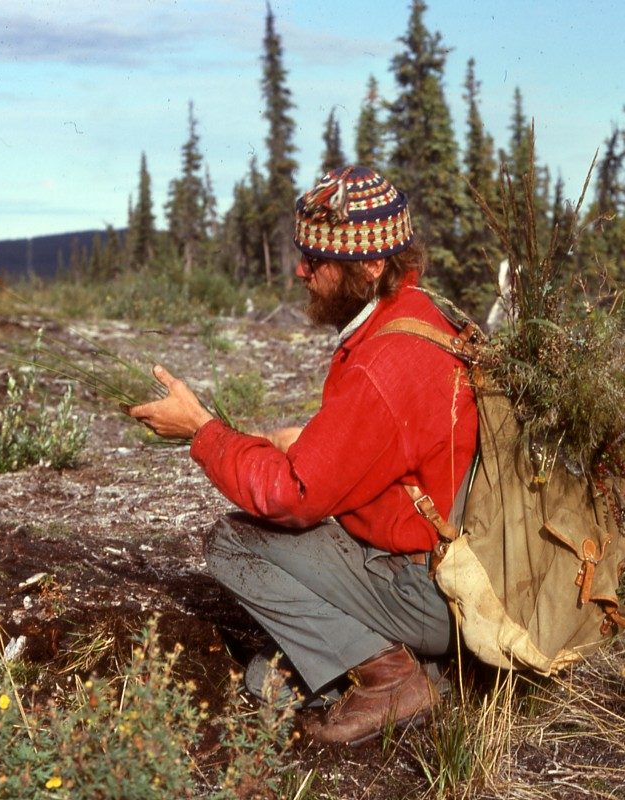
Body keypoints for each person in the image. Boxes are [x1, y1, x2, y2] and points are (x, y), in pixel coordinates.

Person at [127, 165, 478, 745]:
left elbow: (291, 500)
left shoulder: (382, 364)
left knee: (234, 542)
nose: (301, 271)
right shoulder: (425, 318)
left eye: (317, 261)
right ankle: (409, 665)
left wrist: (201, 430)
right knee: (269, 677)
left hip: (427, 591)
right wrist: (304, 440)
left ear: (368, 266)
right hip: (452, 571)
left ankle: (389, 677)